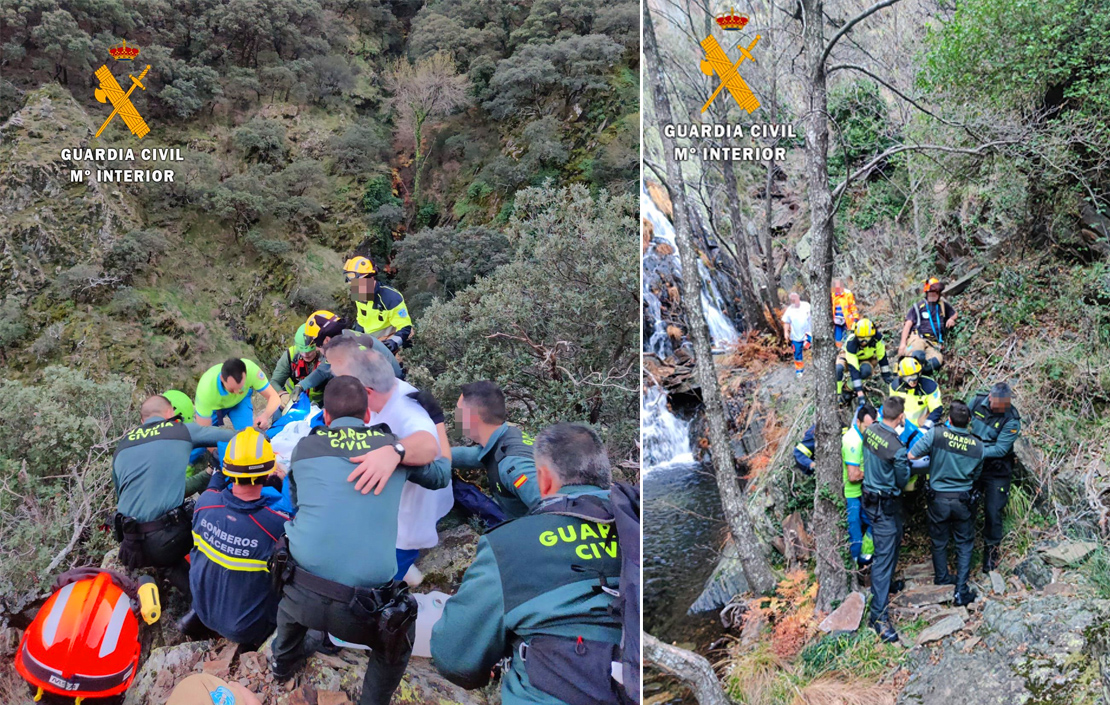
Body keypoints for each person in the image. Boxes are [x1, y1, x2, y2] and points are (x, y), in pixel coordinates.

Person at [270, 375, 449, 705]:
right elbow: (441, 475)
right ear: (368, 416)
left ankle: (281, 663)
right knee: (397, 641)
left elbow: (297, 501)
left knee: (291, 595)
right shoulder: (391, 448)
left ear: (325, 417)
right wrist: (430, 431)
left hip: (300, 590)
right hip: (364, 609)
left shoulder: (305, 448)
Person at [432, 423, 625, 705]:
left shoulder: (508, 546)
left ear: (543, 480)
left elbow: (454, 657)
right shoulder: (635, 519)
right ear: (604, 474)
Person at [322, 337, 452, 584]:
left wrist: (395, 451)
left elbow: (427, 444)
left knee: (381, 581)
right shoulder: (380, 391)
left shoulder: (408, 408)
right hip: (386, 506)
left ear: (366, 391)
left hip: (408, 517)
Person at [112, 395, 237, 594]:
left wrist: (206, 475)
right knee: (215, 523)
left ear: (143, 421)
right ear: (169, 413)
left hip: (130, 544)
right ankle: (216, 596)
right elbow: (233, 437)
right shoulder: (181, 430)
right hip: (165, 540)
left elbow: (132, 494)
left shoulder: (123, 445)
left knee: (167, 561)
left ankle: (193, 597)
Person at [183, 428, 291, 649]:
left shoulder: (205, 504)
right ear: (269, 471)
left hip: (202, 611)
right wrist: (286, 481)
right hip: (247, 629)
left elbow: (215, 486)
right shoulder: (276, 526)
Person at [909, 401, 983, 606]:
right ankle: (961, 590)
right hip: (963, 500)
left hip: (938, 499)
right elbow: (976, 474)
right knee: (964, 543)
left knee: (939, 541)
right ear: (969, 421)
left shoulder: (937, 434)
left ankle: (942, 576)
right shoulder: (978, 446)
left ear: (949, 420)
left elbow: (912, 454)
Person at [451, 381, 540, 520]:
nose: (456, 418)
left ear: (471, 418)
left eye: (458, 412)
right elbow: (476, 456)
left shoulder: (514, 467)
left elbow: (555, 508)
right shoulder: (507, 436)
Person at [861, 396, 910, 643]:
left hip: (869, 499)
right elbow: (903, 479)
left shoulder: (870, 432)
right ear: (901, 417)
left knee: (896, 536)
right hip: (884, 505)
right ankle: (878, 617)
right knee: (883, 557)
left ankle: (888, 585)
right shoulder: (897, 448)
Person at [289, 310, 402, 403]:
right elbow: (323, 369)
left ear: (326, 340)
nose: (317, 349)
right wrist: (301, 385)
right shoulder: (341, 339)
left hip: (391, 390)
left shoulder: (352, 352)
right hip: (384, 386)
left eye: (317, 344)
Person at [968, 382, 1022, 573]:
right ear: (990, 397)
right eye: (998, 405)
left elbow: (1000, 449)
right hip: (973, 466)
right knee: (966, 506)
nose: (1001, 408)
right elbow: (960, 421)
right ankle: (965, 551)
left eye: (1004, 405)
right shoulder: (976, 402)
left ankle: (990, 556)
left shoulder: (1012, 419)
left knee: (993, 512)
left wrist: (974, 450)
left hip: (996, 470)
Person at [193, 358, 283, 469]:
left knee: (246, 438)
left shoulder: (251, 370)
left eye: (240, 388)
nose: (235, 393)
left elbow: (274, 397)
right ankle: (188, 468)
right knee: (196, 445)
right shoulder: (206, 389)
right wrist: (215, 451)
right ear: (222, 379)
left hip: (240, 402)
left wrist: (265, 416)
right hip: (215, 407)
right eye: (232, 389)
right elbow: (203, 432)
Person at [344, 256, 413, 352]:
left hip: (389, 339)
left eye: (360, 283)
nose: (357, 287)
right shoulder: (359, 293)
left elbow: (405, 326)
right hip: (371, 340)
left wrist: (394, 342)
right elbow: (361, 320)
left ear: (371, 277)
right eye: (355, 284)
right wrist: (356, 338)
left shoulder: (391, 298)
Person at [898, 277, 956, 374]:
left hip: (933, 344)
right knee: (918, 355)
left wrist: (951, 319)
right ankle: (907, 373)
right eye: (931, 292)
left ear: (939, 293)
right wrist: (902, 344)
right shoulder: (918, 307)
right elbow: (907, 325)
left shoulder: (942, 306)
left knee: (937, 360)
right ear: (927, 293)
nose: (933, 294)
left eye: (936, 292)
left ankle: (919, 375)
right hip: (918, 338)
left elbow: (954, 314)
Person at [844, 404, 878, 566]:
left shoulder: (865, 436)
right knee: (855, 535)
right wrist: (872, 471)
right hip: (852, 494)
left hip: (863, 491)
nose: (870, 431)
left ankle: (865, 559)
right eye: (867, 427)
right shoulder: (853, 440)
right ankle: (856, 569)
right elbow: (853, 475)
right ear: (858, 422)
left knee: (875, 523)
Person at [836, 318, 893, 403]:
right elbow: (853, 368)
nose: (863, 341)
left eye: (867, 338)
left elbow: (882, 356)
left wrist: (886, 375)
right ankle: (838, 392)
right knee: (838, 369)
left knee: (866, 371)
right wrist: (859, 391)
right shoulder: (852, 343)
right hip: (848, 356)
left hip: (866, 359)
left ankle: (847, 388)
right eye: (861, 338)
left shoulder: (877, 339)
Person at [271, 324, 323, 406]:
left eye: (309, 351)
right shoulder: (290, 355)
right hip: (292, 400)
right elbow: (274, 381)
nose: (305, 354)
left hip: (319, 403)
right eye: (301, 351)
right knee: (277, 416)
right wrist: (281, 394)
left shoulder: (325, 356)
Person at [887, 357, 943, 431]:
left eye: (914, 376)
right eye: (907, 378)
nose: (912, 381)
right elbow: (893, 407)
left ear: (919, 373)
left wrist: (926, 427)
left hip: (922, 426)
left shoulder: (929, 387)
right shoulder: (895, 387)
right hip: (902, 426)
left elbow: (936, 409)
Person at [781, 292, 812, 378]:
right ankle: (799, 370)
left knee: (811, 347)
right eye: (792, 299)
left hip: (808, 333)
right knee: (797, 353)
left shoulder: (806, 306)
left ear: (799, 297)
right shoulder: (789, 310)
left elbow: (813, 316)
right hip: (796, 336)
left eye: (795, 298)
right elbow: (786, 322)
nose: (794, 300)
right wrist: (786, 332)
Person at [831, 279, 860, 348]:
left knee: (848, 338)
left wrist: (855, 318)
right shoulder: (832, 295)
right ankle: (839, 352)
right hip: (836, 322)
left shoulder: (848, 294)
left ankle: (847, 351)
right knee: (838, 340)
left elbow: (853, 307)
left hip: (847, 321)